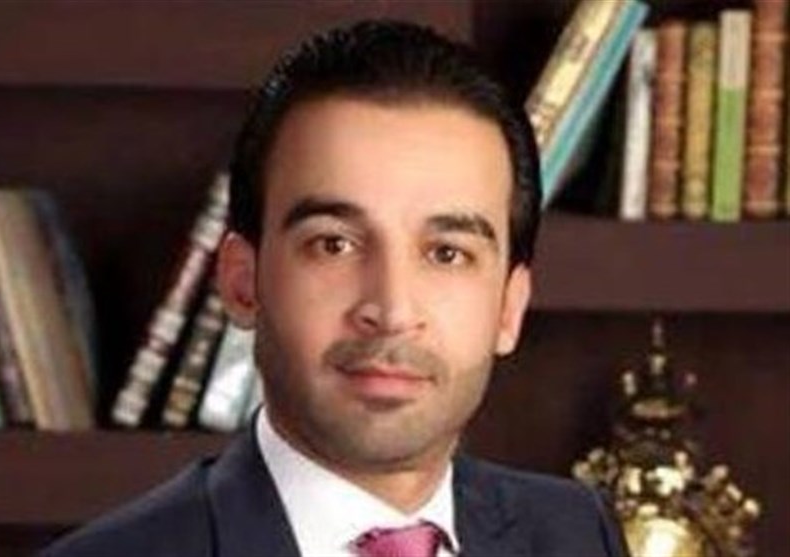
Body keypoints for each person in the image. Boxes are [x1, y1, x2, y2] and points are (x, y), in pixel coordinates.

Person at [42, 20, 629, 557]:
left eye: (447, 253)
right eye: (334, 245)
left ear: (508, 308)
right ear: (243, 283)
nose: (392, 309)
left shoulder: (577, 534)